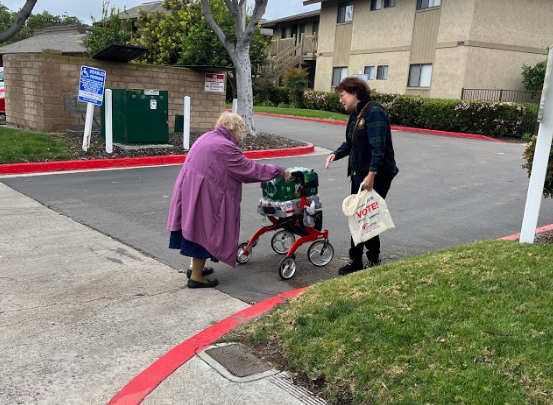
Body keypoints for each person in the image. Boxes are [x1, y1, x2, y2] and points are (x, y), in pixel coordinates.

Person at [167, 112, 291, 288]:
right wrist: (278, 171)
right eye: (242, 132)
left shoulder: (209, 137)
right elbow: (249, 169)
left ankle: (196, 269)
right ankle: (196, 277)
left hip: (190, 188)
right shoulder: (225, 147)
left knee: (197, 228)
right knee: (205, 230)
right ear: (236, 129)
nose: (242, 137)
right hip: (203, 193)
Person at [325, 77, 398, 275]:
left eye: (343, 95)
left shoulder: (374, 112)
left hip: (378, 174)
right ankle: (357, 260)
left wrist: (372, 174)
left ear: (355, 93)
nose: (341, 100)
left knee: (366, 215)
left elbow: (378, 148)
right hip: (360, 174)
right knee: (359, 215)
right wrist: (335, 154)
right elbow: (349, 143)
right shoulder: (356, 114)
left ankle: (370, 258)